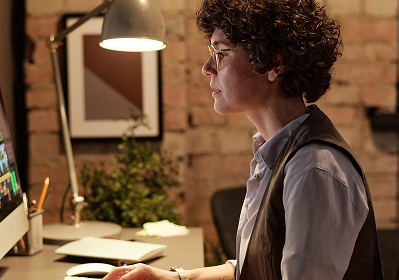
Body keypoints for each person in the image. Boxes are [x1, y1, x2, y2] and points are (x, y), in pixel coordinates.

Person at [103, 0, 383, 279]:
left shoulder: (314, 170)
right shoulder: (277, 151)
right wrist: (173, 278)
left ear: (275, 63)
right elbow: (258, 266)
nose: (206, 68)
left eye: (221, 53)